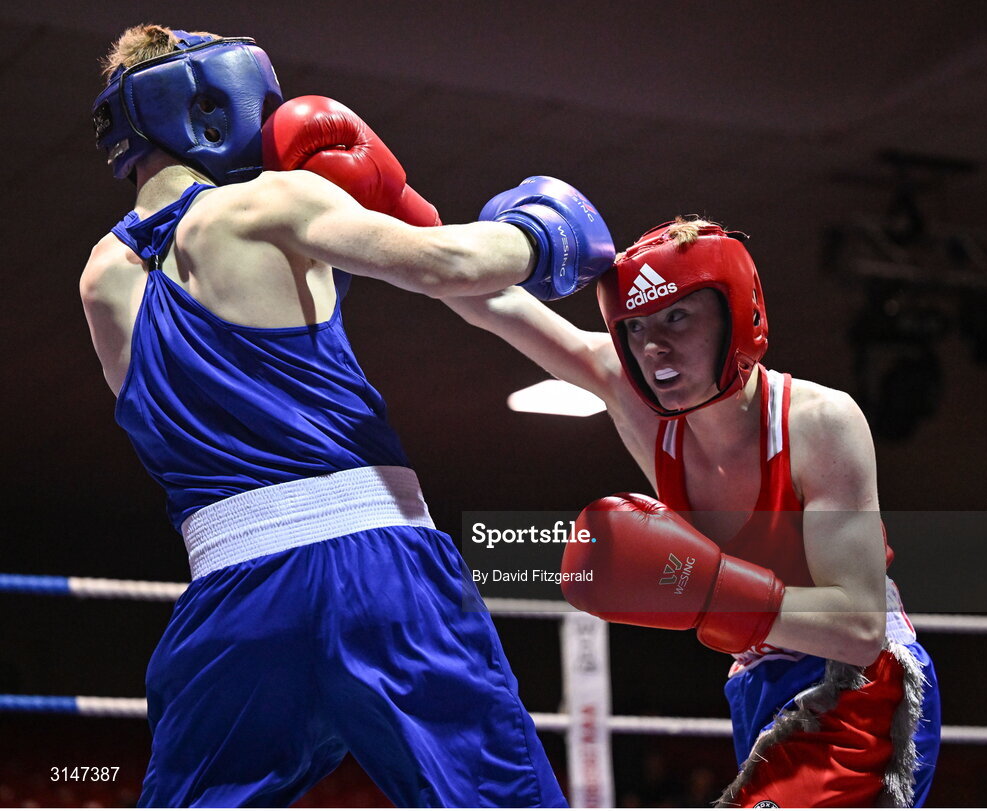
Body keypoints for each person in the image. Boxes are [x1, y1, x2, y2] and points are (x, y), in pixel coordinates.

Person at [81, 24, 615, 808]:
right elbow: (449, 265)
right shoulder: (270, 201)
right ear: (211, 107)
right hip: (375, 572)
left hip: (229, 601)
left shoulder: (100, 279)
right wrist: (544, 233)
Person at [444, 218, 941, 807]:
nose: (653, 346)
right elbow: (481, 292)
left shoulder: (818, 422)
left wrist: (708, 591)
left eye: (677, 316)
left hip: (858, 686)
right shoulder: (632, 396)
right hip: (756, 685)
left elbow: (857, 630)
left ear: (736, 312)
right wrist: (387, 204)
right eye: (635, 327)